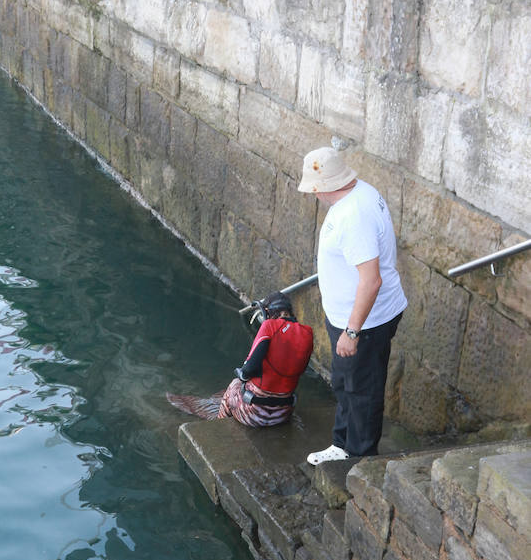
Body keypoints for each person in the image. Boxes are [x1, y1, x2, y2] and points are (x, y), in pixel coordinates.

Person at [298, 146, 407, 463]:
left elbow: (371, 280)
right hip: (353, 319)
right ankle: (342, 443)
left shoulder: (353, 216)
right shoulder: (360, 192)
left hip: (365, 324)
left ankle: (360, 461)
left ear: (322, 187)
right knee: (347, 384)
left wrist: (352, 331)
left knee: (362, 392)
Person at [167, 292, 313, 426]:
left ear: (268, 312)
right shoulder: (307, 332)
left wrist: (241, 372)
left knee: (235, 384)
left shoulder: (270, 326)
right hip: (283, 414)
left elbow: (247, 371)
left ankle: (219, 424)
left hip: (253, 415)